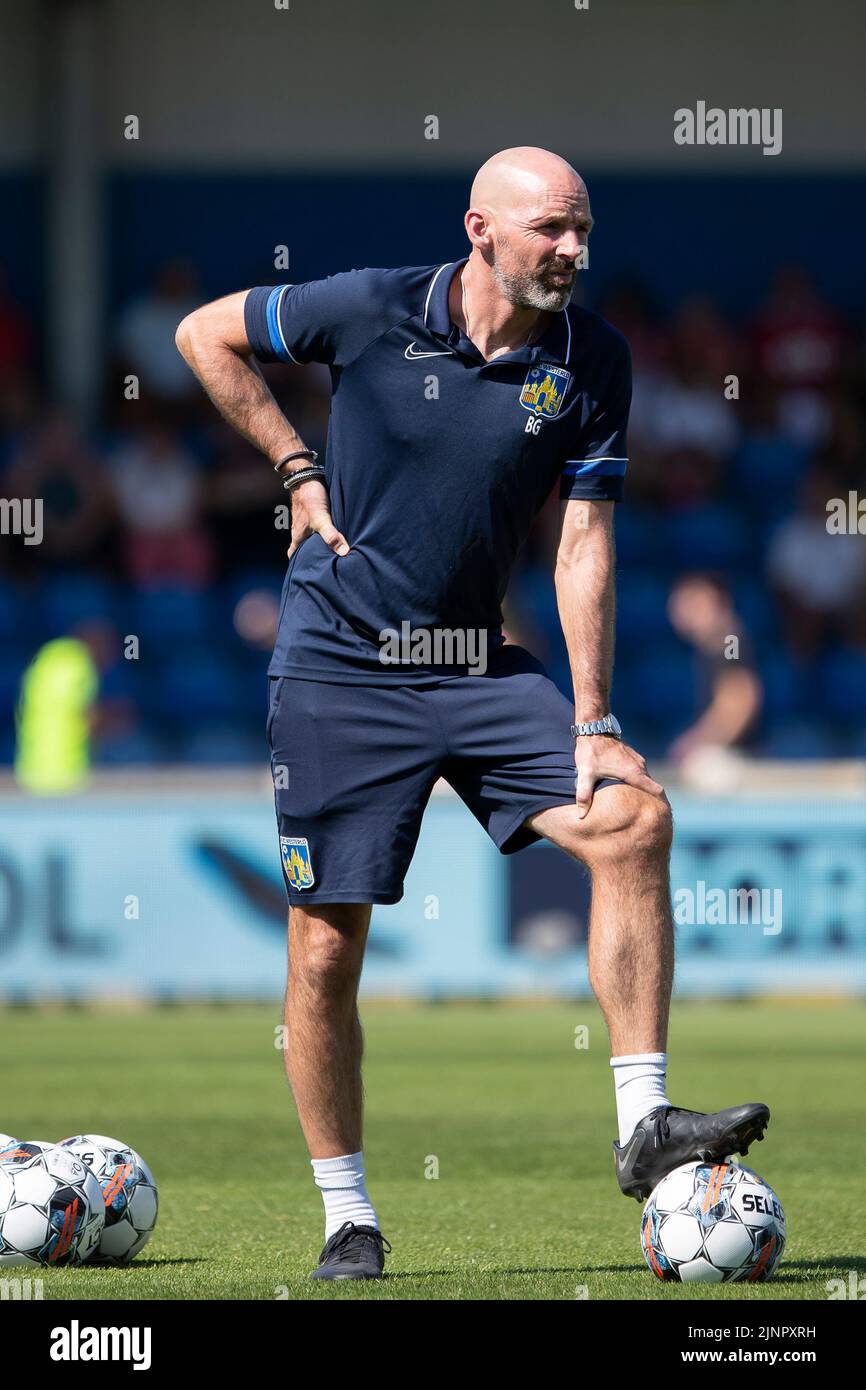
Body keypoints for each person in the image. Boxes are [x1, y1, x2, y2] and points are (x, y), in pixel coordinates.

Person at [176, 147, 769, 1281]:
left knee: (633, 820)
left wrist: (592, 719)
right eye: (551, 227)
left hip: (477, 663)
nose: (573, 250)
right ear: (479, 229)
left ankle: (640, 1120)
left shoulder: (591, 357)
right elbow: (202, 333)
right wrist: (296, 468)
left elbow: (582, 538)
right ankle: (347, 1213)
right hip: (339, 667)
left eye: (582, 229)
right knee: (320, 949)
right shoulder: (365, 305)